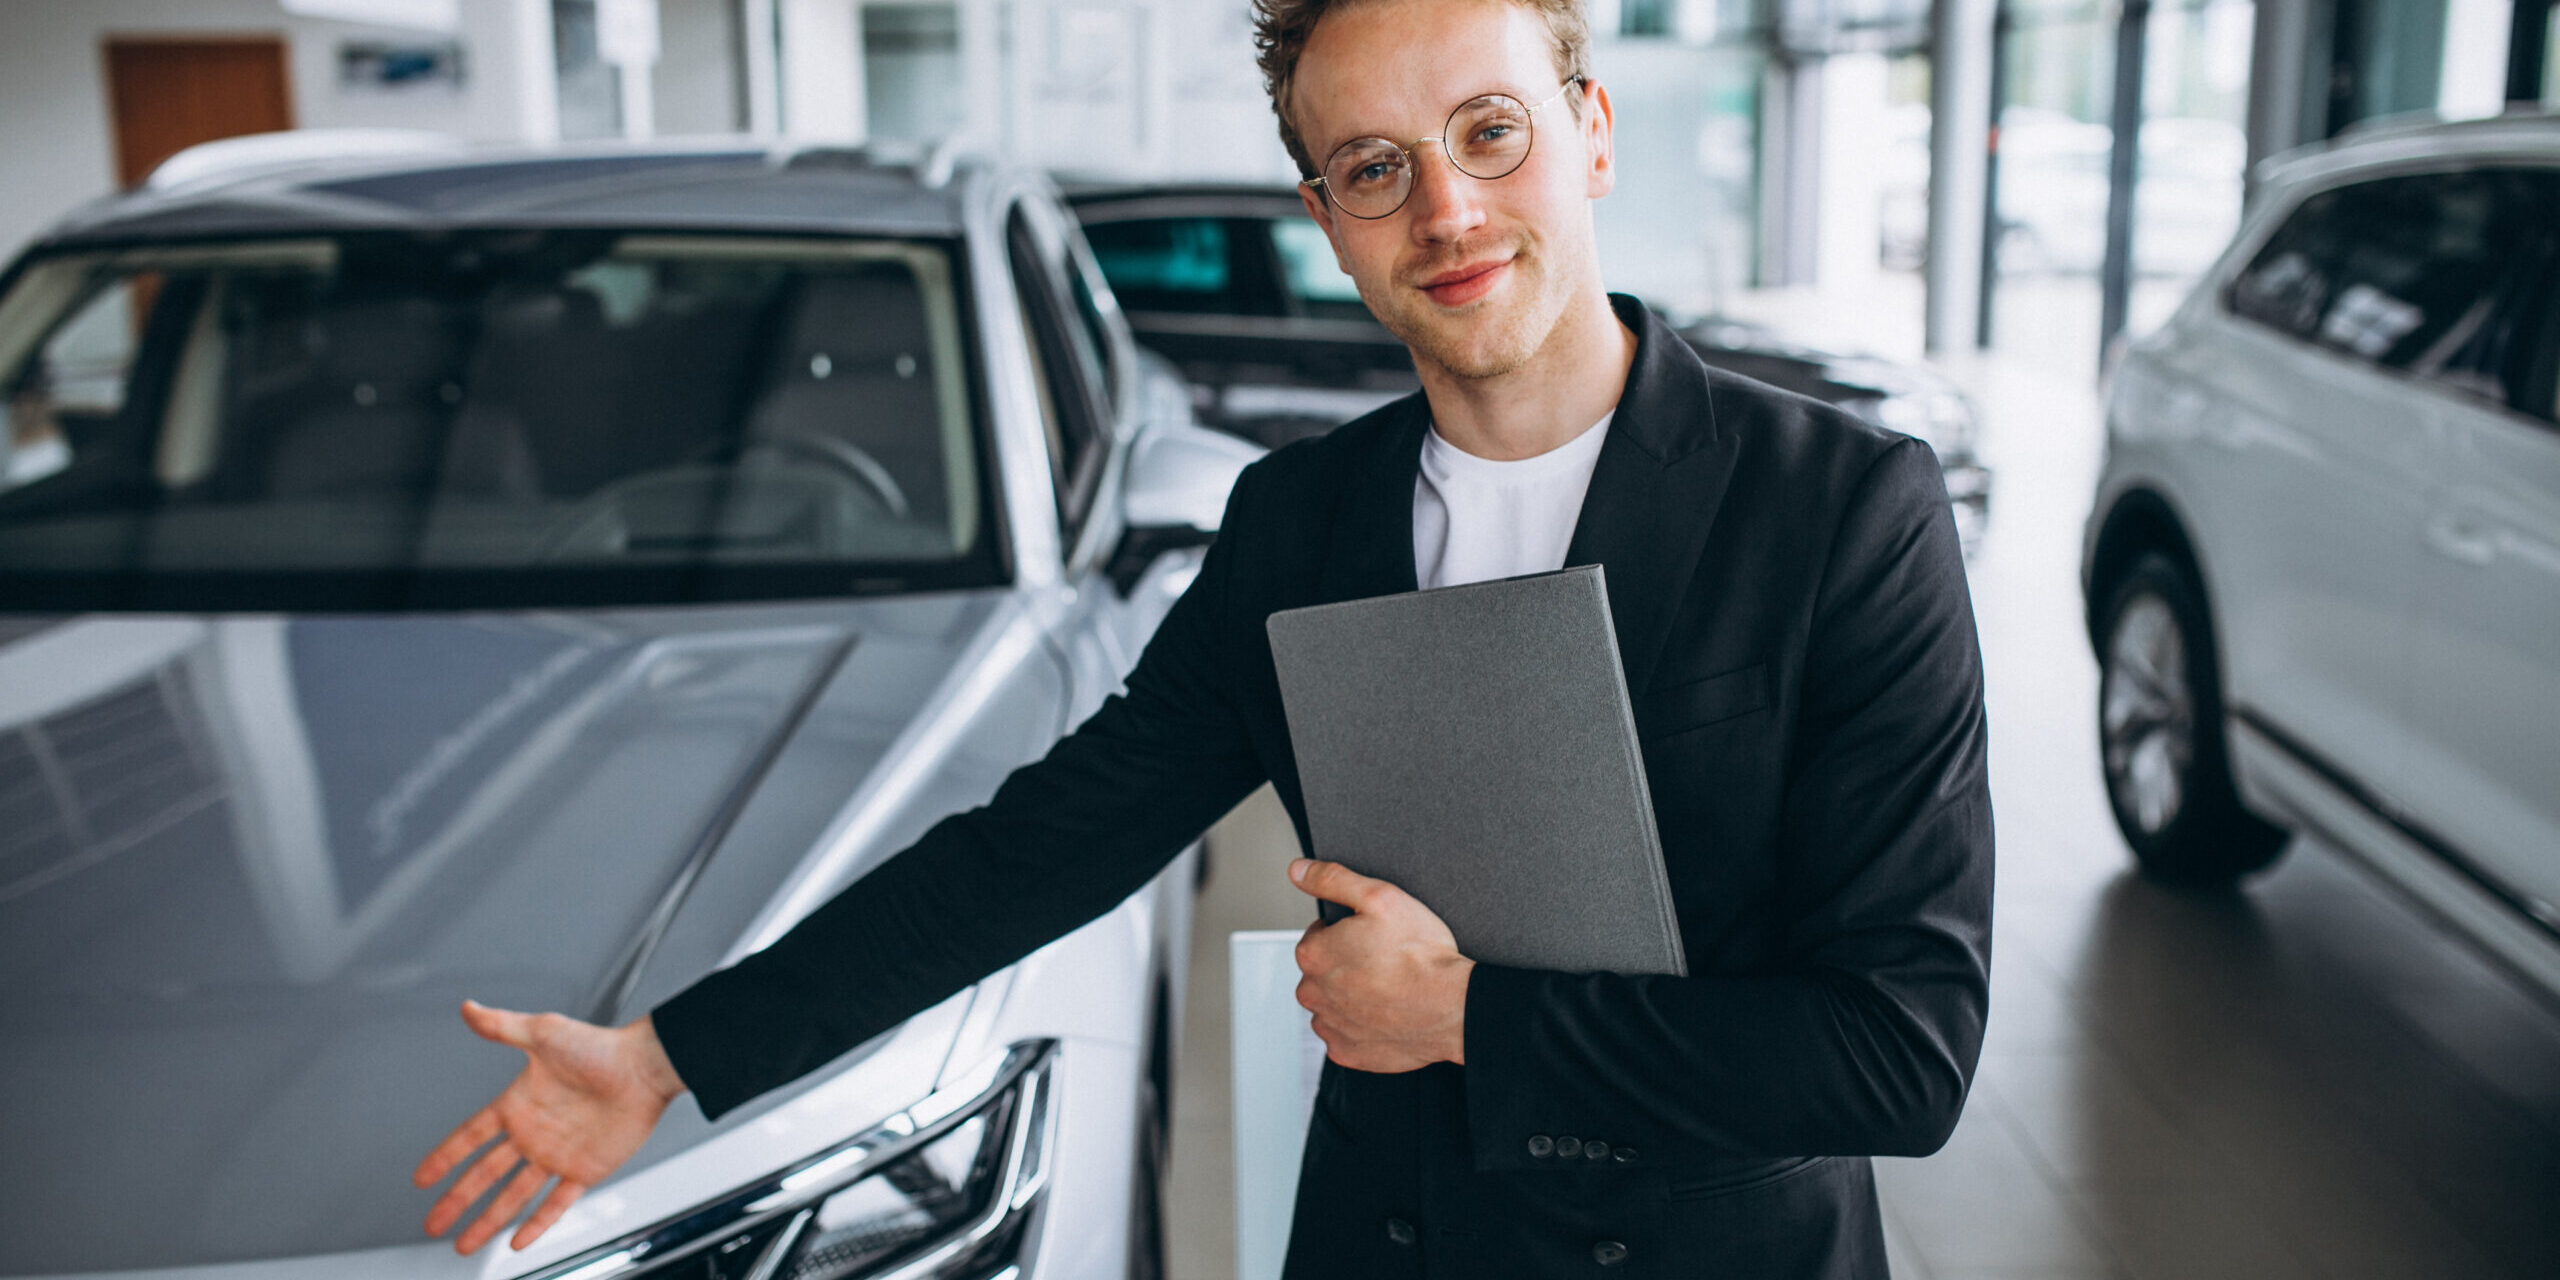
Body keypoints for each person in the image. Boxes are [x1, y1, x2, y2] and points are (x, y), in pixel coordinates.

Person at [412, 0, 1994, 1274]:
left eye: (1487, 132)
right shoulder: (1303, 520)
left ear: (1585, 129)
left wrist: (1461, 1018)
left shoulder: (1843, 510)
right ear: (1326, 217)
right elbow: (1042, 845)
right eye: (1374, 168)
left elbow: (1900, 1055)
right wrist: (670, 1056)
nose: (1445, 208)